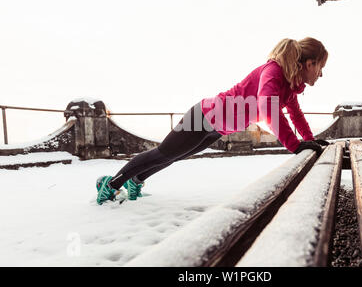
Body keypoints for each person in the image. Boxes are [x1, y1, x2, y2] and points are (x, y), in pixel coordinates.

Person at [96, 37, 329, 205]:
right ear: (310, 63)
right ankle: (112, 184)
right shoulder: (274, 71)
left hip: (217, 127)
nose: (320, 74)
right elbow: (267, 107)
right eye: (321, 67)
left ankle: (136, 179)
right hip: (203, 116)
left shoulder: (288, 85)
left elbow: (295, 114)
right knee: (165, 153)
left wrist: (310, 140)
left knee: (175, 155)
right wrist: (295, 145)